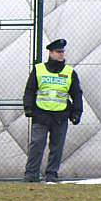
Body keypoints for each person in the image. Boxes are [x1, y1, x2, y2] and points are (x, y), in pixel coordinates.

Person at [23, 38, 83, 183]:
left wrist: (77, 112)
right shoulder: (39, 70)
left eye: (62, 52)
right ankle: (31, 175)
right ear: (50, 53)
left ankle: (52, 175)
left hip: (60, 115)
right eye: (58, 52)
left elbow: (76, 94)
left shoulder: (69, 72)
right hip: (41, 114)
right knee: (37, 144)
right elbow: (30, 90)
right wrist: (28, 107)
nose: (61, 54)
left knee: (57, 147)